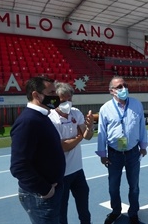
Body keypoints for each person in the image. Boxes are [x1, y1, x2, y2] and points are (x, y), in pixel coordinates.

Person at [10, 76, 66, 224]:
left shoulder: (41, 117)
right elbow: (18, 166)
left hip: (49, 192)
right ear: (36, 95)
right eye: (51, 92)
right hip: (40, 196)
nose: (56, 96)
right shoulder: (28, 121)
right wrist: (45, 189)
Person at [96, 76, 148, 224]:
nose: (123, 88)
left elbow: (141, 127)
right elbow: (102, 132)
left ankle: (133, 213)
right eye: (119, 87)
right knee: (113, 187)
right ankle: (116, 211)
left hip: (133, 153)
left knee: (134, 187)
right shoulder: (105, 109)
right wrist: (102, 154)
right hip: (114, 154)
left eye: (125, 85)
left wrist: (143, 146)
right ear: (112, 91)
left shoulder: (136, 104)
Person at [48, 82, 94, 224]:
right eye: (63, 100)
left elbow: (87, 136)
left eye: (69, 99)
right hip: (60, 174)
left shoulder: (76, 112)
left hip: (77, 170)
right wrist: (80, 136)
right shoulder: (51, 118)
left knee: (84, 207)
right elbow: (63, 147)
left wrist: (90, 126)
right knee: (62, 210)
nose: (67, 103)